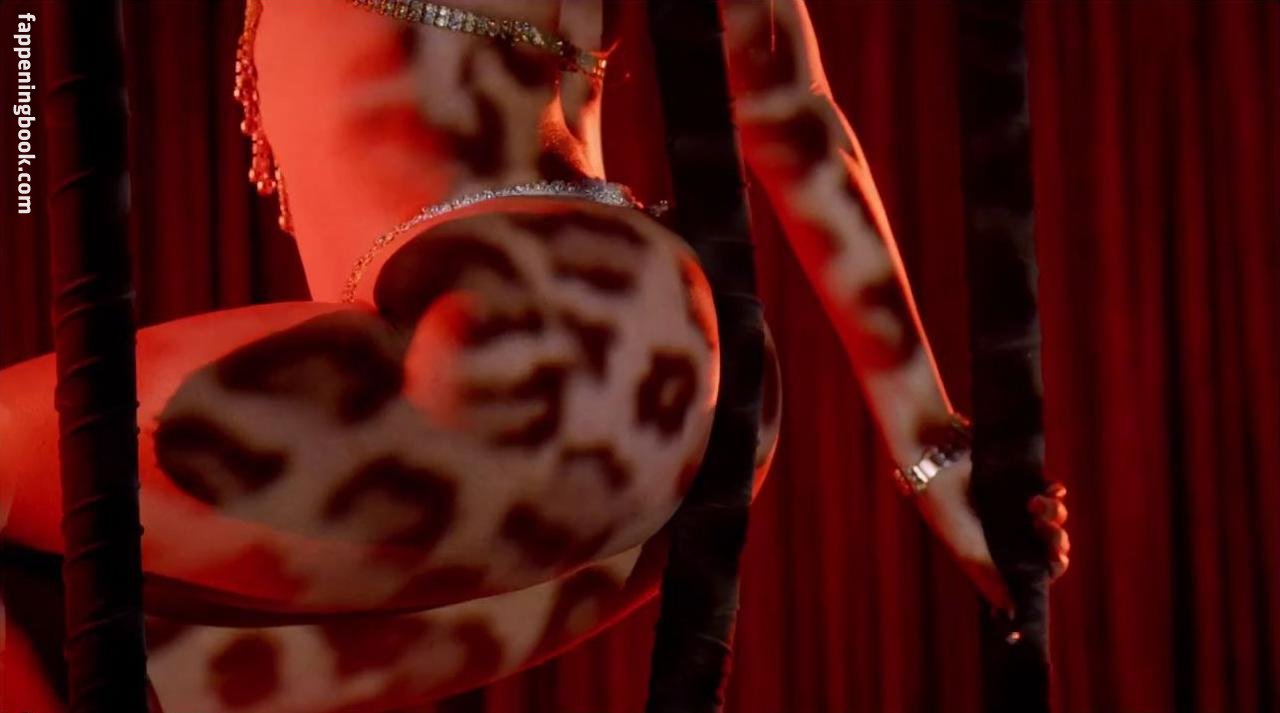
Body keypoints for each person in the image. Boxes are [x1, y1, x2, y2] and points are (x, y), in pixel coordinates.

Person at [0, 1, 1069, 711]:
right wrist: (930, 450)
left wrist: (933, 450)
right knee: (81, 656)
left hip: (524, 339)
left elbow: (791, 106)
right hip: (647, 408)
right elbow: (790, 103)